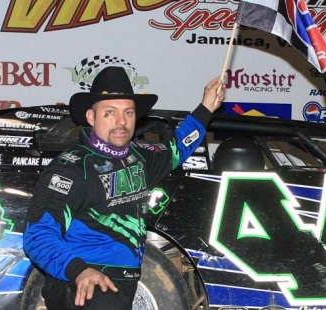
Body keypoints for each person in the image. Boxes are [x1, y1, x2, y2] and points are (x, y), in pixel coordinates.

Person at [22, 66, 225, 310]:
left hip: (122, 285)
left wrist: (205, 109)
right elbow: (37, 235)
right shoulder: (72, 168)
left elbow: (178, 147)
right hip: (82, 286)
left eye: (128, 112)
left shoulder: (140, 158)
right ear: (91, 117)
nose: (121, 121)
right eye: (110, 112)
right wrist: (78, 270)